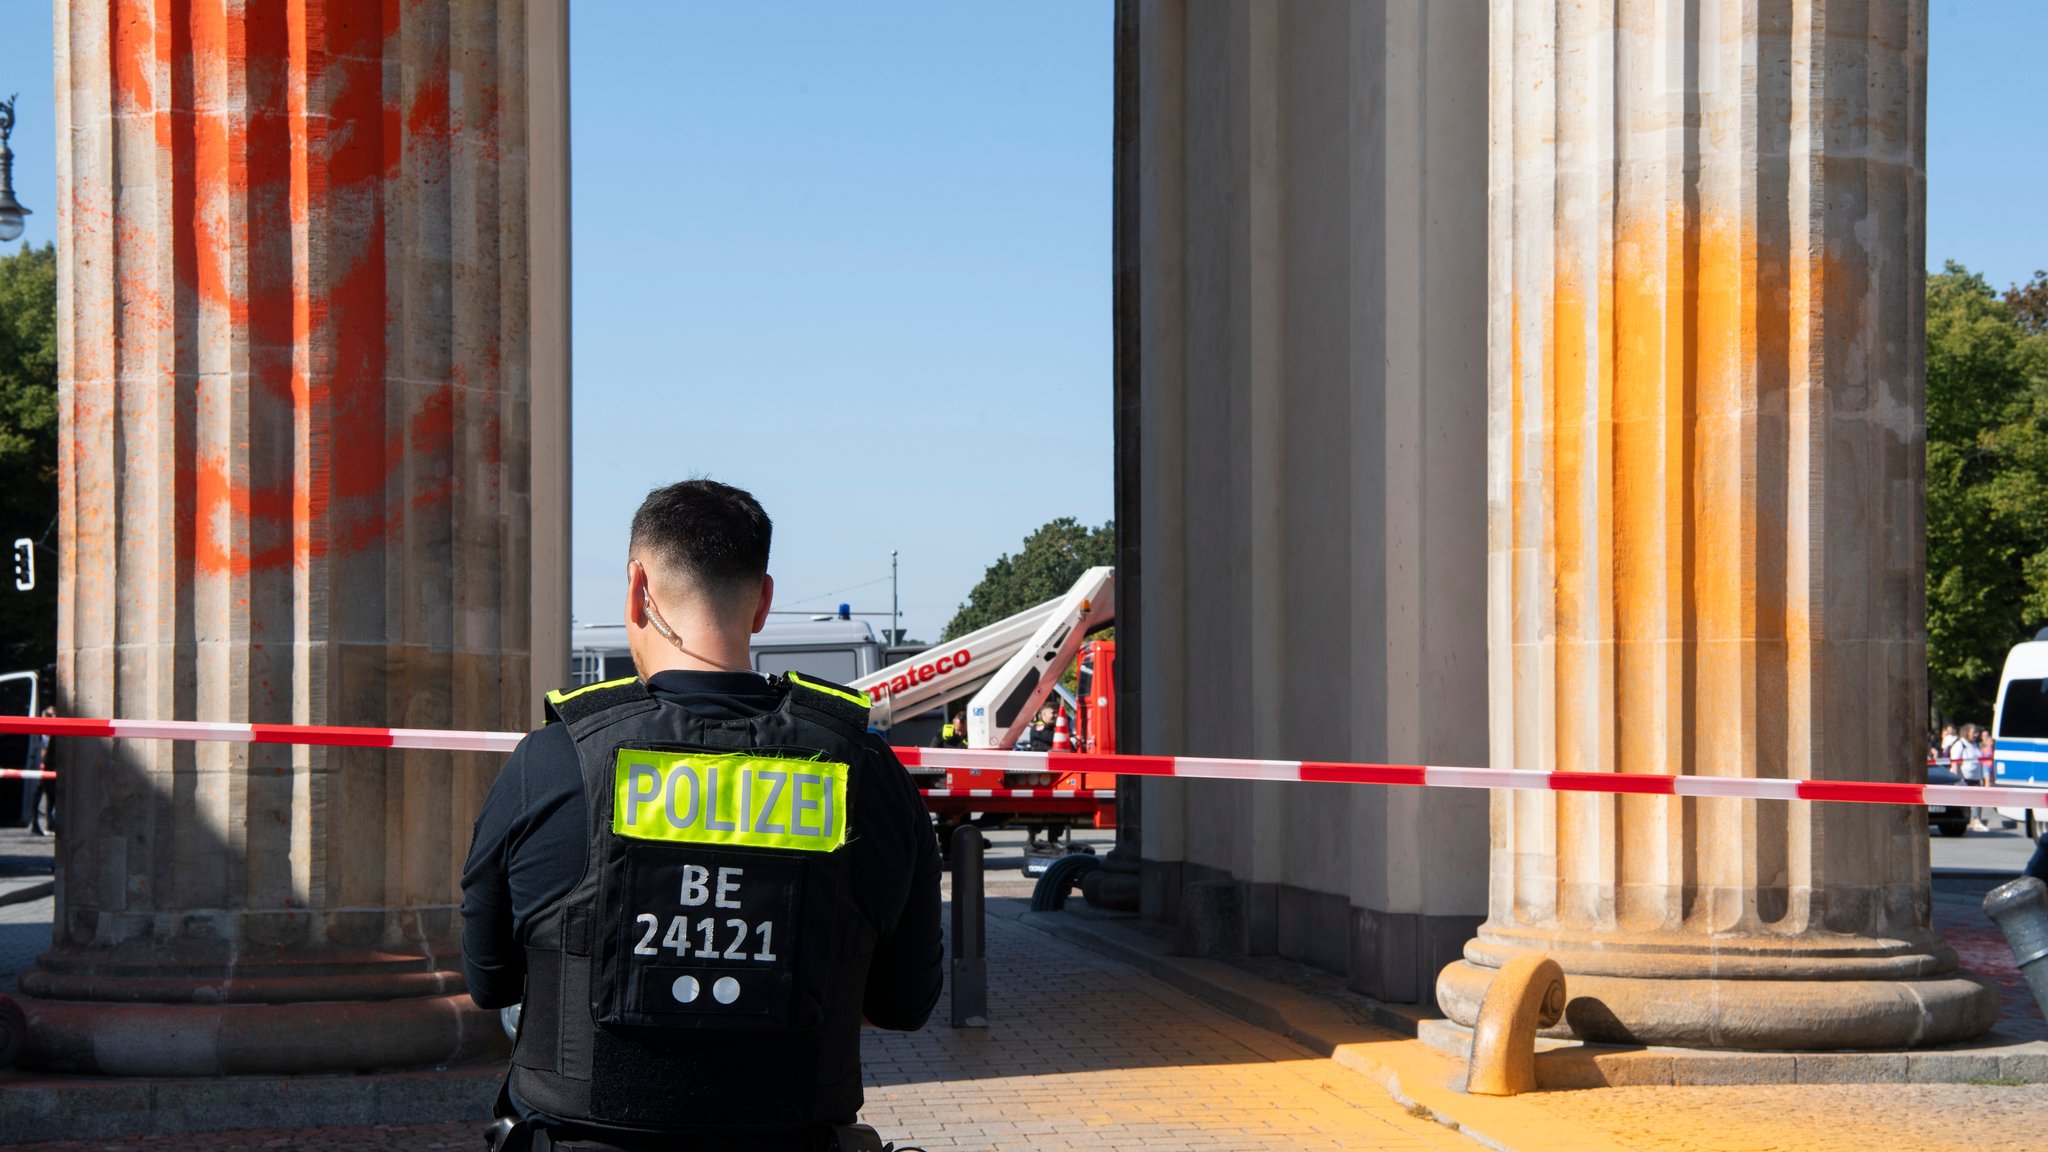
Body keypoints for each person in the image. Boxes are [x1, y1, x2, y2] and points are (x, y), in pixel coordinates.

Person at [461, 480, 942, 1152]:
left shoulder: (552, 760)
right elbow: (905, 1003)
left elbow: (489, 980)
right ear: (764, 603)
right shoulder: (867, 770)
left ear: (637, 589)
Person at [28, 704, 57, 836]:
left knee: (51, 797)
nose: (52, 718)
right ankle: (35, 823)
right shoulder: (39, 734)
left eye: (54, 715)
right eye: (49, 715)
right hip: (38, 768)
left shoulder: (53, 736)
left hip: (48, 770)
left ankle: (50, 822)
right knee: (36, 797)